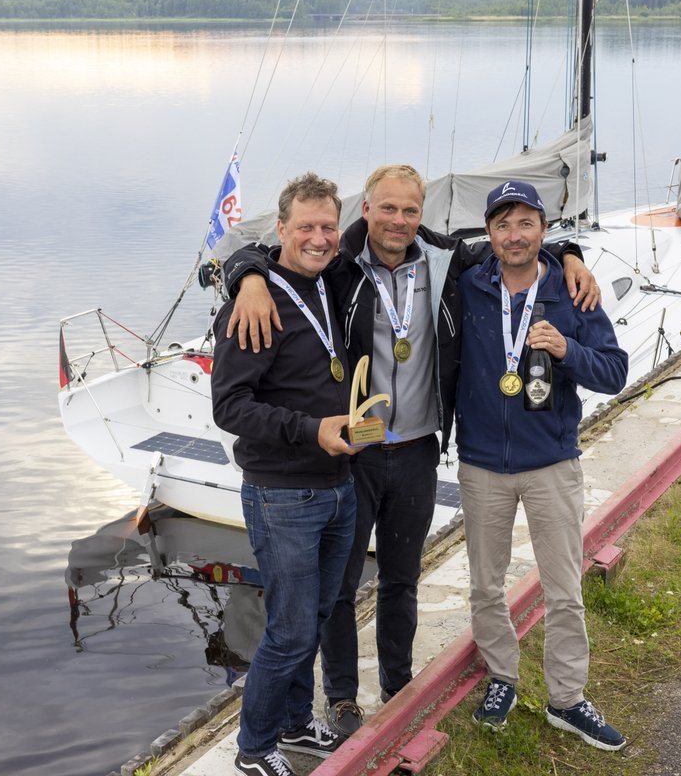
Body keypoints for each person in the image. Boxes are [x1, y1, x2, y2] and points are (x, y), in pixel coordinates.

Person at [222, 165, 601, 736]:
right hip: (356, 451)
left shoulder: (447, 263)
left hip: (419, 447)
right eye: (387, 209)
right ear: (366, 210)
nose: (399, 221)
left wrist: (569, 251)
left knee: (402, 577)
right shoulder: (341, 267)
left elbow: (516, 244)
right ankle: (343, 698)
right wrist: (245, 275)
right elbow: (272, 254)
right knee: (341, 586)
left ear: (422, 216)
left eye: (410, 211)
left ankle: (398, 683)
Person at [455, 179, 628, 749]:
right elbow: (402, 237)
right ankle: (502, 676)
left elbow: (614, 372)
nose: (514, 235)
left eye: (525, 223)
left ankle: (567, 698)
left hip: (552, 461)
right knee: (485, 584)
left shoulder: (572, 293)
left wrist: (567, 351)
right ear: (488, 233)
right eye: (502, 224)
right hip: (482, 465)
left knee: (563, 588)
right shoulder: (468, 284)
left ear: (544, 230)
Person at [211, 173, 359, 776]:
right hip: (284, 493)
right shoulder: (258, 297)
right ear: (281, 229)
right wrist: (311, 429)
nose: (320, 239)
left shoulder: (328, 281)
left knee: (316, 619)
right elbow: (230, 406)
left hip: (336, 484)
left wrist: (566, 251)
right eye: (306, 227)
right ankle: (255, 747)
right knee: (290, 631)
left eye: (328, 226)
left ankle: (297, 723)